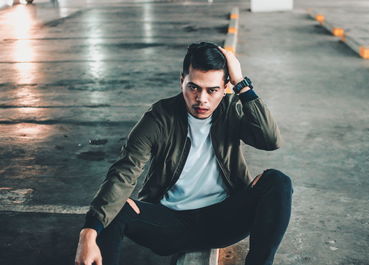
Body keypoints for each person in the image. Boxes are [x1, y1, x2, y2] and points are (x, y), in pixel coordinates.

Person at [74, 41, 293, 265]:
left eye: (212, 90)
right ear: (182, 82)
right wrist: (88, 233)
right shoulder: (159, 117)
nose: (202, 99)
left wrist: (242, 84)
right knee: (115, 207)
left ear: (225, 87)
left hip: (225, 220)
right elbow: (124, 172)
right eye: (194, 87)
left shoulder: (232, 109)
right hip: (169, 224)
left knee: (277, 181)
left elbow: (270, 140)